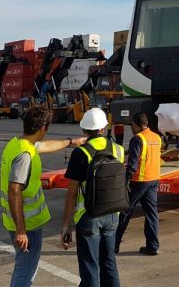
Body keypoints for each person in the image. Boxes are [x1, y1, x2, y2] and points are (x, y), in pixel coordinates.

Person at [0, 107, 86, 287]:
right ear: (43, 128)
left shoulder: (18, 144)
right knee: (26, 269)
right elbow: (14, 190)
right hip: (27, 225)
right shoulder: (25, 155)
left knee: (24, 266)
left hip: (17, 221)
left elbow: (46, 146)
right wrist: (21, 230)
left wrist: (72, 142)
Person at [61, 108, 125, 287]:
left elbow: (72, 192)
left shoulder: (81, 153)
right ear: (103, 128)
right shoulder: (119, 150)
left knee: (90, 268)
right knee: (109, 264)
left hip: (88, 216)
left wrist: (66, 225)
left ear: (84, 130)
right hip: (113, 214)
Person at [115, 112, 162, 255]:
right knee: (151, 214)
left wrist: (126, 179)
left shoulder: (137, 139)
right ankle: (152, 246)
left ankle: (113, 246)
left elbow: (133, 164)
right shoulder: (156, 137)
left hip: (139, 181)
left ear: (135, 125)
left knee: (125, 212)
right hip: (153, 180)